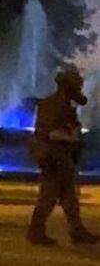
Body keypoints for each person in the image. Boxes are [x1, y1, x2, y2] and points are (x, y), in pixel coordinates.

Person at [27, 69, 99, 245]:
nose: (80, 87)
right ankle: (36, 231)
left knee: (68, 197)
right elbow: (47, 133)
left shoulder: (63, 104)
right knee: (49, 196)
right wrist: (71, 137)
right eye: (77, 84)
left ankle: (77, 230)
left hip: (61, 156)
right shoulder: (54, 105)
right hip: (54, 156)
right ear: (68, 86)